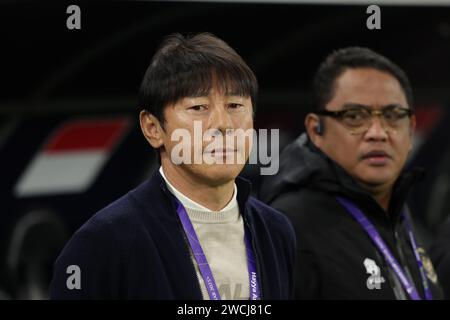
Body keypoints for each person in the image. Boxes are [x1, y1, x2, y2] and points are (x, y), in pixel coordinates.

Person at [50, 33, 296, 299]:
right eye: (199, 107)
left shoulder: (274, 231)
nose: (223, 124)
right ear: (153, 128)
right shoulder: (104, 243)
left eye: (235, 105)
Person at [260, 47, 443, 299]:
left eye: (392, 116)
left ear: (411, 129)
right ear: (316, 130)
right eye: (355, 116)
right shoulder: (290, 226)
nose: (378, 132)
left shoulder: (399, 215)